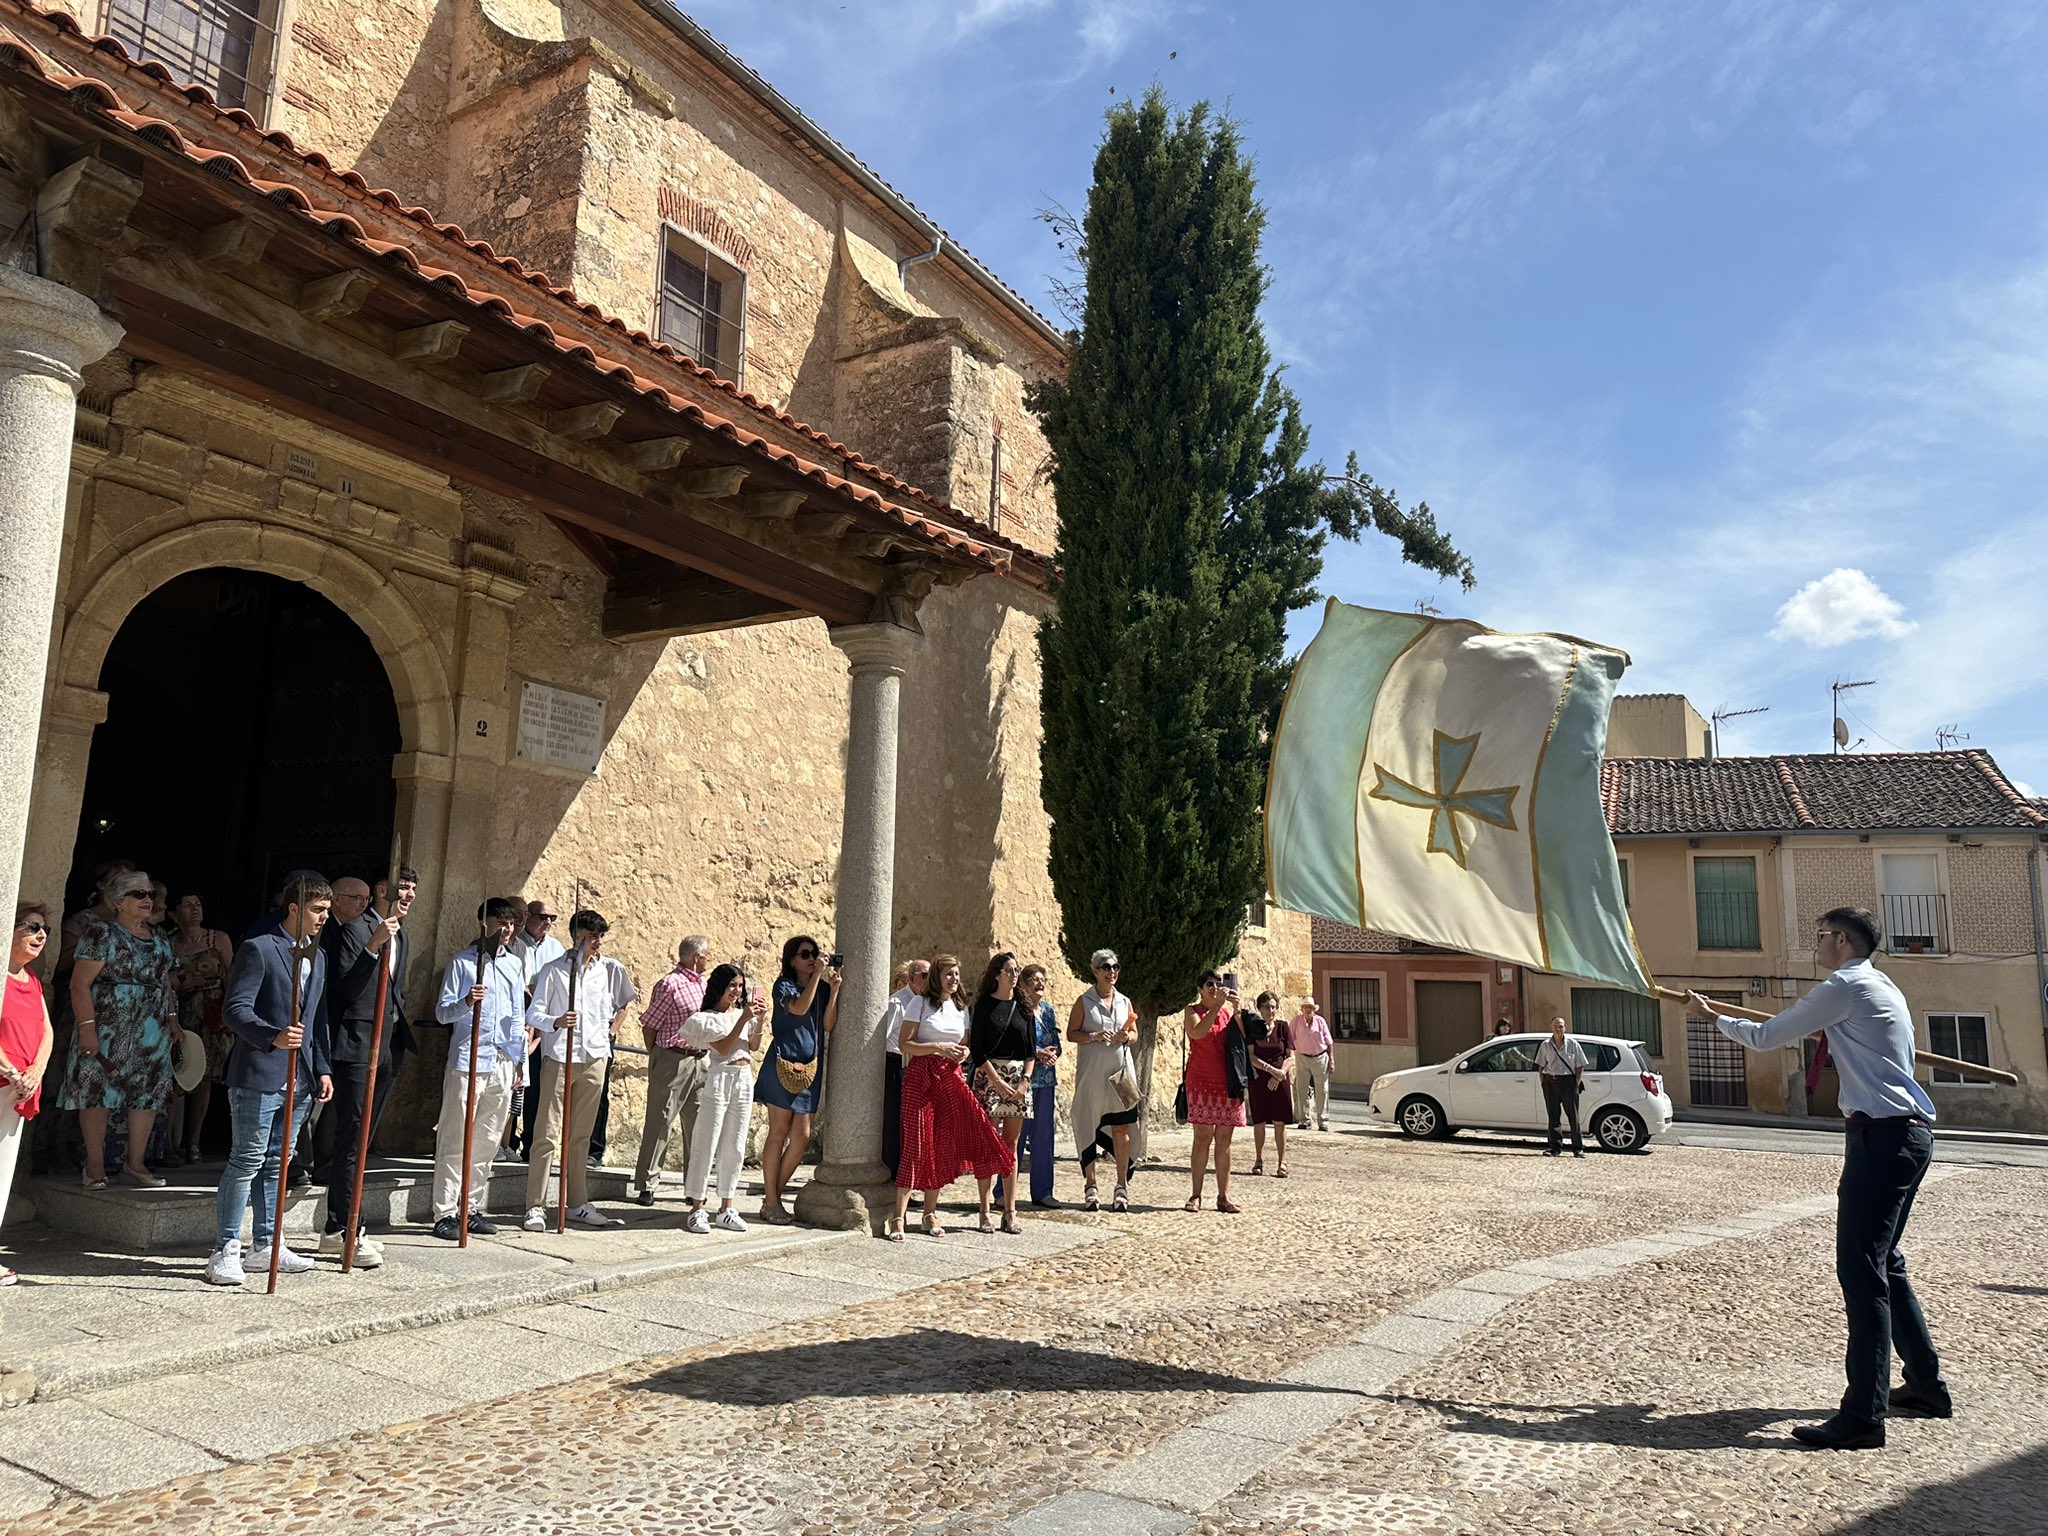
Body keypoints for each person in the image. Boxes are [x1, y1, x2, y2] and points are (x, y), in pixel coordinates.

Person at [1690, 906, 1949, 1452]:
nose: (1816, 946)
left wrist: (1711, 1016)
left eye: (1821, 937)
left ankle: (1863, 1416)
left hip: (1881, 1140)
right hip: (1907, 1137)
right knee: (1886, 1263)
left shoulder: (1845, 985)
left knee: (1862, 1272)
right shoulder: (1883, 986)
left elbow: (1766, 1037)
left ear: (1842, 941)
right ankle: (1925, 1385)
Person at [206, 876, 334, 1286]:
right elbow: (235, 1010)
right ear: (295, 909)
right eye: (318, 910)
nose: (324, 918)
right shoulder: (258, 949)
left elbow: (317, 1021)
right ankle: (224, 1248)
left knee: (279, 1164)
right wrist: (270, 1036)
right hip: (259, 1074)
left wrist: (323, 1067)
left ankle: (267, 1243)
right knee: (246, 1160)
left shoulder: (319, 956)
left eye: (327, 910)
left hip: (300, 1080)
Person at [316, 870, 416, 1262]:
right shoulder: (352, 931)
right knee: (352, 1138)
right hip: (355, 1046)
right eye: (402, 888)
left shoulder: (402, 934)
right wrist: (373, 947)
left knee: (365, 1140)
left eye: (412, 890)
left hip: (387, 1045)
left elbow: (396, 989)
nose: (408, 896)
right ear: (382, 891)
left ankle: (340, 1223)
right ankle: (343, 1227)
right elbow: (343, 989)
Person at [63, 867, 182, 1189]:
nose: (148, 900)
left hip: (151, 1027)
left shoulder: (158, 936)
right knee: (97, 1091)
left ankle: (136, 1163)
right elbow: (79, 985)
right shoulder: (101, 933)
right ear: (117, 901)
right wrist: (87, 1029)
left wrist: (173, 1019)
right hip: (107, 1026)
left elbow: (166, 982)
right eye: (138, 894)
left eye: (150, 894)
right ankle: (95, 1163)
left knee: (147, 1094)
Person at [523, 909, 636, 1231]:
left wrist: (610, 1031)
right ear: (577, 936)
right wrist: (556, 1022)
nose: (597, 942)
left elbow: (623, 1004)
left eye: (600, 936)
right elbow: (534, 1014)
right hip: (560, 1056)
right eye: (591, 936)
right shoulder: (554, 971)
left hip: (595, 1055)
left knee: (582, 1136)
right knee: (546, 1133)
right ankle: (535, 1205)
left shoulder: (611, 970)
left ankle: (577, 1203)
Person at [887, 954, 1013, 1241]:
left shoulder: (960, 1007)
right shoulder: (920, 1003)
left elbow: (964, 1042)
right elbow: (906, 1043)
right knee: (917, 1144)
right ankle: (898, 1216)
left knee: (943, 1144)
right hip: (921, 1075)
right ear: (937, 978)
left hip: (950, 1076)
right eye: (949, 974)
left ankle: (930, 1213)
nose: (954, 979)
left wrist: (963, 1052)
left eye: (957, 974)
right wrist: (938, 1048)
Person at [428, 898, 524, 1240]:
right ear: (484, 924)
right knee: (455, 1138)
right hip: (469, 1061)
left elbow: (517, 1017)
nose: (507, 930)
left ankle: (470, 1206)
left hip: (501, 1061)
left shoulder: (514, 966)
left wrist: (519, 1062)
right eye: (501, 923)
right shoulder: (463, 963)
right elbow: (442, 1013)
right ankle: (444, 1212)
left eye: (511, 924)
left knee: (486, 1141)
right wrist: (467, 1001)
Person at [753, 934, 840, 1225]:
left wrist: (835, 990)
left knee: (802, 1136)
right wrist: (817, 978)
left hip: (811, 1068)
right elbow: (799, 1008)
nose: (812, 958)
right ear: (792, 960)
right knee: (779, 1131)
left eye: (814, 953)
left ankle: (771, 1197)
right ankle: (773, 1201)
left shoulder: (823, 987)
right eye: (805, 954)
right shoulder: (784, 985)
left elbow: (828, 1024)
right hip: (782, 1064)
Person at [678, 963, 766, 1233]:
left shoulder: (743, 1014)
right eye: (731, 985)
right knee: (707, 1140)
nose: (736, 991)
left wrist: (759, 1019)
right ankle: (697, 1207)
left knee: (736, 1143)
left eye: (740, 986)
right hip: (719, 1077)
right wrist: (743, 1019)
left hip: (743, 1078)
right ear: (720, 987)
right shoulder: (707, 1018)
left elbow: (753, 1045)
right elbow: (725, 1047)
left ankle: (727, 1206)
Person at [632, 935, 712, 1206]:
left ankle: (694, 1186)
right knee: (660, 1121)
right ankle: (647, 1184)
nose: (709, 959)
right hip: (673, 1058)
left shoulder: (705, 984)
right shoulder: (670, 984)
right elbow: (650, 1025)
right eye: (707, 955)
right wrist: (657, 1056)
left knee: (698, 1125)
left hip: (701, 1060)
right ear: (696, 957)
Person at [2, 902, 57, 1285]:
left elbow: (47, 1031)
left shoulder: (31, 978)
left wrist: (35, 1072)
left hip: (20, 1089)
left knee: (2, 1171)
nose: (40, 936)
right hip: (5, 1082)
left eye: (45, 930)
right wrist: (11, 1071)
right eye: (32, 927)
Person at [967, 951, 1034, 1235]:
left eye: (1016, 970)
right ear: (996, 974)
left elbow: (1030, 1051)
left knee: (1011, 1145)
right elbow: (977, 1049)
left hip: (1019, 1079)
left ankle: (1010, 1210)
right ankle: (984, 1210)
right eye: (1009, 970)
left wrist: (1025, 1082)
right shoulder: (983, 1006)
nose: (1014, 974)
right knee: (987, 1145)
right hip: (989, 1078)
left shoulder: (1024, 1007)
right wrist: (995, 1081)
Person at [1067, 948, 1138, 1212]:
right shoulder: (1083, 1001)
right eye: (1106, 967)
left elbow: (1134, 1033)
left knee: (1122, 1128)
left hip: (1120, 1075)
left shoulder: (1124, 1001)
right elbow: (1072, 1034)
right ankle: (1091, 1185)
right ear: (1095, 971)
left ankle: (1121, 1186)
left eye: (1115, 967)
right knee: (1088, 1124)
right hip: (1092, 1075)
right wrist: (1094, 1035)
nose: (1112, 972)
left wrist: (1126, 1038)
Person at [166, 891, 232, 1165]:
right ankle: (169, 1143)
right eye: (187, 904)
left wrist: (231, 1018)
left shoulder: (218, 939)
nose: (195, 909)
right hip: (179, 1014)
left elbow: (231, 976)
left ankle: (194, 1142)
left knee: (203, 1079)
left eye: (198, 904)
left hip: (211, 1015)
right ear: (173, 913)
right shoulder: (169, 942)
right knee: (175, 1080)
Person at [1182, 971, 1247, 1213]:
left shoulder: (1227, 1013)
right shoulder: (1192, 1011)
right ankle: (1196, 1194)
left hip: (1227, 1085)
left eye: (1217, 984)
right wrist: (1216, 1007)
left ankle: (1223, 1196)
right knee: (1201, 1139)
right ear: (1200, 989)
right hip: (1201, 1083)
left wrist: (1236, 1009)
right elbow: (1196, 1034)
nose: (1214, 987)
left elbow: (1242, 1039)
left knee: (1224, 1141)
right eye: (1209, 984)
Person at [508, 900, 565, 1158]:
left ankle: (530, 1145)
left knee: (537, 1090)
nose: (548, 922)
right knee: (513, 1086)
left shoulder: (556, 949)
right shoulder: (517, 945)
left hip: (544, 1028)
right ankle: (505, 1141)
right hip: (518, 1024)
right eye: (543, 916)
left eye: (553, 917)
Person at [1013, 963, 1062, 1207]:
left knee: (1044, 1138)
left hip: (1046, 1081)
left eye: (1043, 978)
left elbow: (1056, 1040)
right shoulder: (1017, 1011)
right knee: (1016, 1137)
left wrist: (1054, 1053)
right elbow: (1014, 1043)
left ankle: (1043, 1192)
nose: (1040, 983)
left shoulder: (1048, 1011)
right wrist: (1037, 1052)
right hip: (1023, 1080)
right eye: (1035, 979)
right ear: (1024, 983)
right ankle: (1003, 1193)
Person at [877, 957, 931, 1179]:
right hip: (895, 1065)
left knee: (914, 1125)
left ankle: (910, 1178)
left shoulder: (927, 1003)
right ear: (911, 978)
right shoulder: (897, 1003)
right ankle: (893, 1176)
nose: (929, 980)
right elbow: (882, 1039)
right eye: (925, 976)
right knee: (895, 1123)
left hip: (917, 1065)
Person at [1244, 992, 1294, 1177]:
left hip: (1280, 1079)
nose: (1270, 1010)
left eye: (1273, 1006)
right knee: (1260, 1121)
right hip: (1259, 1079)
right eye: (1266, 1007)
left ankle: (1282, 1162)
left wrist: (1280, 1074)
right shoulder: (1252, 1029)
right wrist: (1271, 1071)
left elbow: (1290, 1056)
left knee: (1280, 1122)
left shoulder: (1283, 1027)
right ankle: (1258, 1159)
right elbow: (1251, 1056)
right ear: (1259, 1008)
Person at [1535, 1017, 1588, 1158]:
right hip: (1551, 1082)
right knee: (1553, 1116)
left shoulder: (1573, 1044)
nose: (1558, 1029)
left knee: (1573, 1117)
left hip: (1568, 1083)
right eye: (1556, 1026)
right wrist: (1543, 1083)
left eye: (1561, 1026)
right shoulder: (1545, 1045)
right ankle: (1555, 1148)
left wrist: (1576, 1083)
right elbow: (1541, 1065)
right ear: (1551, 1027)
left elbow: (1580, 1065)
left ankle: (1578, 1148)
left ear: (1565, 1027)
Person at [1291, 997, 1334, 1131]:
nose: (1308, 1010)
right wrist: (1290, 1056)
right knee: (1302, 1089)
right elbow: (1290, 1039)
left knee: (1322, 1090)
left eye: (1310, 1007)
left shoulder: (1320, 1022)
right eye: (1306, 1007)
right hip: (1302, 1057)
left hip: (1320, 1057)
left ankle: (1323, 1121)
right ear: (1302, 1009)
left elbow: (1329, 1042)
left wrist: (1332, 1060)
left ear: (1314, 1010)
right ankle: (1304, 1120)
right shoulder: (1296, 1021)